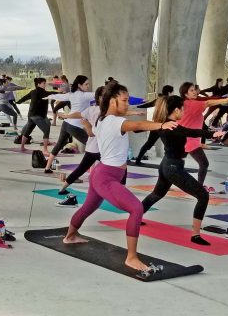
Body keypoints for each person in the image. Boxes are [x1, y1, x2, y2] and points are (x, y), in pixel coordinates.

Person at [62, 82, 179, 274]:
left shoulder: (102, 119)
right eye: (124, 100)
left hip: (101, 173)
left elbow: (131, 122)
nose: (127, 104)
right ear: (113, 100)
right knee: (136, 209)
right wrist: (162, 124)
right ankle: (131, 258)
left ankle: (70, 236)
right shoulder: (115, 122)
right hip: (106, 177)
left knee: (88, 207)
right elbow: (138, 125)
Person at [140, 95, 226, 245]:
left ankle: (136, 217)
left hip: (166, 165)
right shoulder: (172, 126)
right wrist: (213, 133)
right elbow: (192, 132)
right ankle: (196, 236)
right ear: (176, 110)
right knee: (203, 196)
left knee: (157, 193)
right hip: (173, 167)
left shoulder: (162, 124)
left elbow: (189, 132)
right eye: (182, 109)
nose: (184, 111)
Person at [163, 82, 228, 189]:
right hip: (189, 140)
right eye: (191, 90)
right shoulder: (191, 104)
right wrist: (226, 100)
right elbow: (208, 102)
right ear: (185, 94)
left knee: (174, 163)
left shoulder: (186, 103)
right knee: (203, 163)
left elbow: (207, 100)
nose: (195, 92)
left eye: (195, 89)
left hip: (182, 139)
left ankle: (166, 181)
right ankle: (199, 187)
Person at [57, 85, 106, 200]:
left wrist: (66, 115)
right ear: (99, 97)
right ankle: (116, 189)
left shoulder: (91, 109)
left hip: (91, 147)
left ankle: (62, 189)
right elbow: (81, 117)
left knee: (80, 169)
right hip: (101, 148)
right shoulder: (105, 112)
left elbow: (79, 114)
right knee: (118, 168)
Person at [43, 75, 94, 173]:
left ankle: (47, 167)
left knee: (59, 145)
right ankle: (91, 173)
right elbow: (100, 94)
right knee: (92, 146)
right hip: (74, 126)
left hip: (66, 124)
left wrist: (48, 96)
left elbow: (59, 96)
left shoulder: (72, 94)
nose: (88, 86)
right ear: (79, 85)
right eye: (86, 84)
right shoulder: (84, 95)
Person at [132, 85, 175, 160]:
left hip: (156, 125)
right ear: (169, 92)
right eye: (172, 92)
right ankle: (169, 163)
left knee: (149, 143)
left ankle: (138, 159)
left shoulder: (158, 100)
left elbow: (148, 105)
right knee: (169, 145)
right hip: (165, 126)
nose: (173, 93)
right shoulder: (170, 101)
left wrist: (138, 107)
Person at [16, 78, 54, 151]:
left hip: (31, 115)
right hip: (37, 116)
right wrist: (62, 93)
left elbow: (25, 98)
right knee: (46, 130)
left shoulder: (33, 92)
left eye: (45, 83)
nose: (45, 84)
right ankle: (45, 149)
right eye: (43, 83)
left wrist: (18, 102)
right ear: (39, 84)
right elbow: (51, 93)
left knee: (28, 131)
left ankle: (22, 147)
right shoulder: (42, 92)